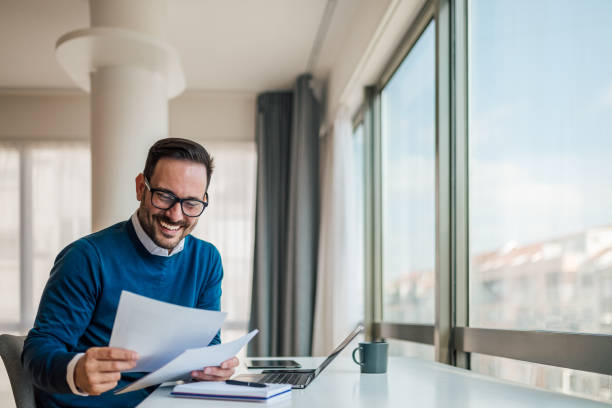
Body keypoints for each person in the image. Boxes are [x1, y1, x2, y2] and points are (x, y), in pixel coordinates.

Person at [22, 138, 239, 407]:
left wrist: (212, 367)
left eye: (192, 203)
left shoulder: (207, 260)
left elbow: (206, 347)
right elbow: (37, 351)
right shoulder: (86, 257)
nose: (175, 215)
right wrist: (76, 371)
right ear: (141, 187)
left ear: (204, 201)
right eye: (165, 196)